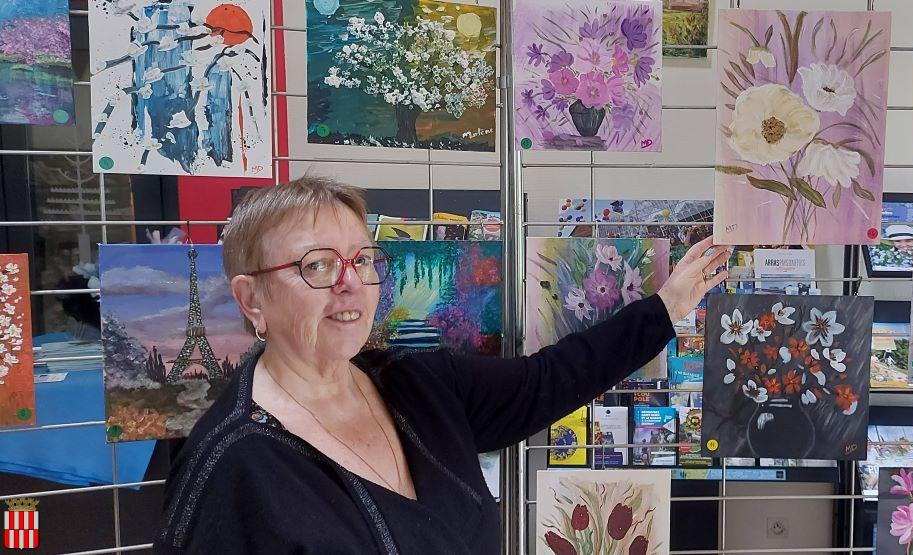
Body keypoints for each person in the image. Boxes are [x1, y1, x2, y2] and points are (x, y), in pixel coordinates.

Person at [154, 176, 731, 554]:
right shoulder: (230, 466)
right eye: (317, 266)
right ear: (252, 300)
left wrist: (665, 309)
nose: (351, 283)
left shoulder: (419, 386)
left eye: (363, 259)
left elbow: (550, 379)